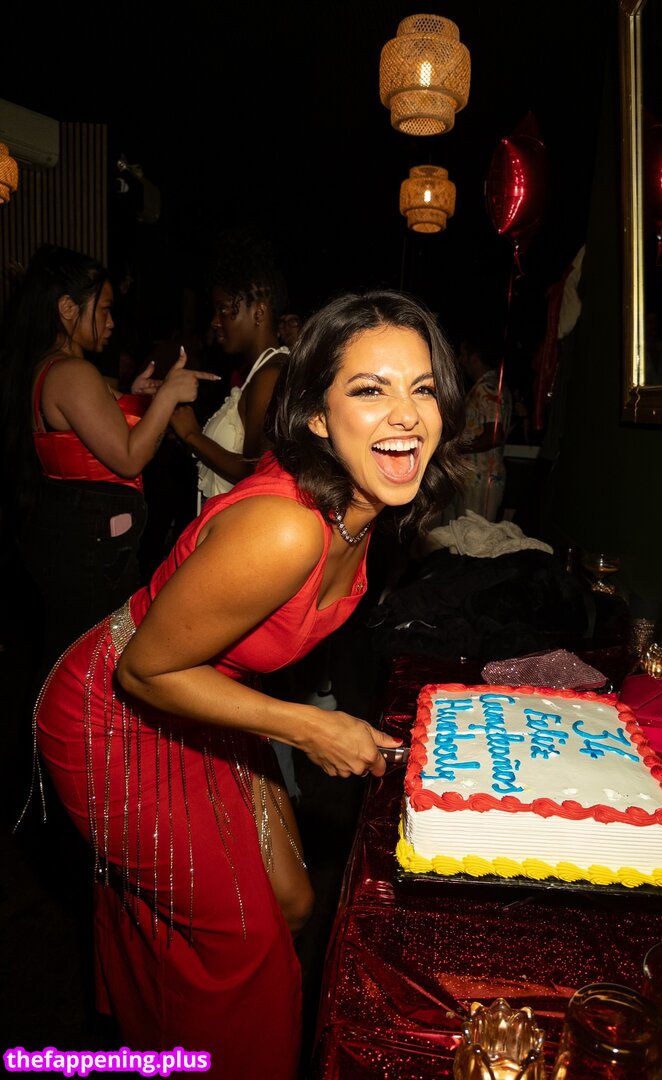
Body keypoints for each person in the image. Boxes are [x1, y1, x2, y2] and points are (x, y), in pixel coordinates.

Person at [31, 289, 467, 1079]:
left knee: (295, 901)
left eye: (423, 387)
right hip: (115, 713)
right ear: (318, 418)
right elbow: (143, 670)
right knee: (243, 940)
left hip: (202, 698)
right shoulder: (287, 526)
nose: (407, 414)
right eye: (370, 389)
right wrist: (310, 726)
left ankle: (164, 1041)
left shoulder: (361, 506)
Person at [0, 244, 218, 669]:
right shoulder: (72, 373)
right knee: (95, 660)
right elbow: (128, 458)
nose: (111, 321)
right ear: (67, 308)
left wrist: (138, 398)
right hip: (91, 544)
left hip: (71, 533)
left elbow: (97, 428)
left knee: (74, 653)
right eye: (103, 309)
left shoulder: (48, 367)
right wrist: (168, 395)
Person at [169, 233, 290, 508]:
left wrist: (193, 436)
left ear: (258, 312)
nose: (214, 322)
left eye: (223, 310)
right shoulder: (258, 372)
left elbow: (259, 471)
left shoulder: (271, 375)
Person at [445, 331, 512, 522]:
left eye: (463, 355)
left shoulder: (487, 388)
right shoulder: (494, 386)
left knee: (473, 535)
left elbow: (494, 436)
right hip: (477, 478)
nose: (460, 360)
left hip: (482, 479)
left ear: (474, 358)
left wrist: (455, 447)